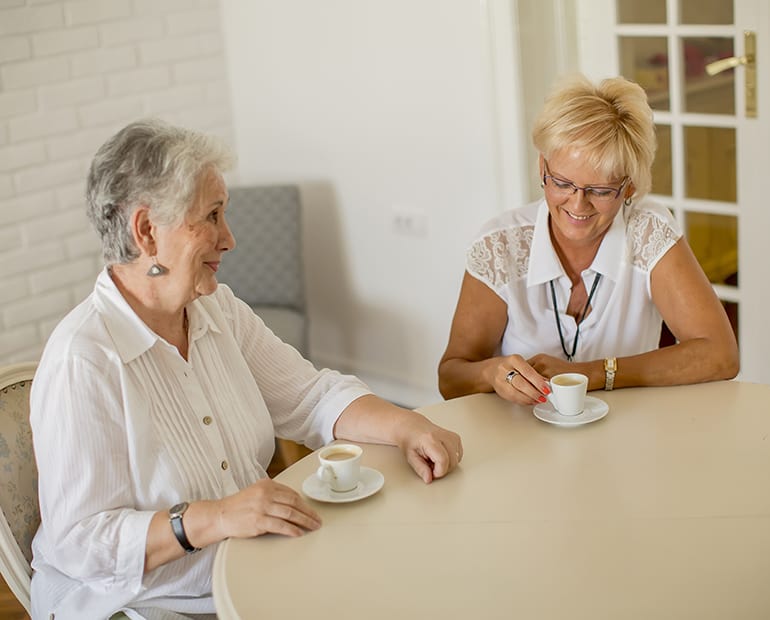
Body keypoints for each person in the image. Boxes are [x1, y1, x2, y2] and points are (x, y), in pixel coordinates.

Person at [30, 119, 463, 620]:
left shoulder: (218, 311)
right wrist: (213, 519)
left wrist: (409, 424)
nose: (229, 239)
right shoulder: (82, 361)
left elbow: (311, 397)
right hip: (143, 604)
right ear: (146, 231)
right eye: (211, 216)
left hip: (249, 567)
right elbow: (80, 543)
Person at [438, 74, 739, 405]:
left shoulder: (649, 231)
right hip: (520, 435)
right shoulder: (500, 245)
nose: (578, 205)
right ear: (542, 168)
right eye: (563, 183)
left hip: (630, 430)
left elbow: (720, 355)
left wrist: (595, 373)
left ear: (630, 187)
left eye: (600, 190)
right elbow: (451, 378)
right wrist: (491, 373)